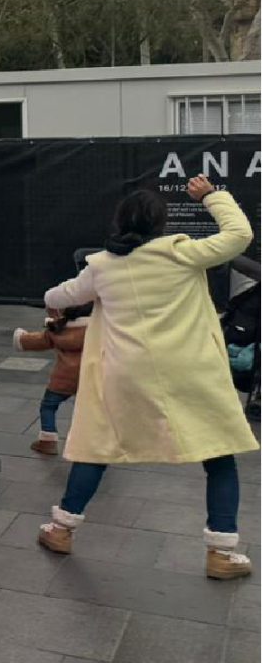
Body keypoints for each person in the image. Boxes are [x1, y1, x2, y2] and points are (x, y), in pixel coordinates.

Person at [38, 175, 258, 580]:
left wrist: (56, 301)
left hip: (125, 374)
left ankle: (62, 528)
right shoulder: (185, 254)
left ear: (118, 224)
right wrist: (211, 195)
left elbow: (58, 296)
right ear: (161, 225)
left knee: (97, 447)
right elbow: (239, 233)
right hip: (193, 372)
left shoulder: (101, 266)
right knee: (219, 453)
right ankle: (222, 553)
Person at [14, 303, 90, 455]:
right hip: (91, 378)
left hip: (63, 378)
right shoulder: (97, 330)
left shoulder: (57, 330)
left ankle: (47, 440)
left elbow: (37, 341)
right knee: (93, 410)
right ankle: (93, 442)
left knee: (48, 406)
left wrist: (21, 338)